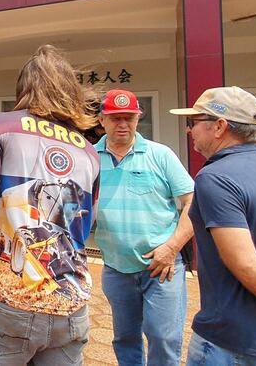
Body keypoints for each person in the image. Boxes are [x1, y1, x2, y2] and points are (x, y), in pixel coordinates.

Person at [0, 45, 101, 366]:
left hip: (10, 305)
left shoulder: (0, 127)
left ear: (23, 89)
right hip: (70, 305)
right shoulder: (89, 151)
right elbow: (87, 223)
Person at [170, 87, 256, 365]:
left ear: (219, 127)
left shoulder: (215, 178)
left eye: (193, 123)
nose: (189, 131)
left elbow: (246, 265)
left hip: (231, 344)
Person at [93, 89, 194, 366]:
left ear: (138, 119)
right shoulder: (88, 158)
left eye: (129, 117)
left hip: (161, 268)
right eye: (115, 118)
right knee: (124, 338)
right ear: (102, 120)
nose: (123, 124)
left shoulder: (160, 155)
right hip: (116, 268)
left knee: (163, 338)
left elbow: (192, 202)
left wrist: (172, 247)